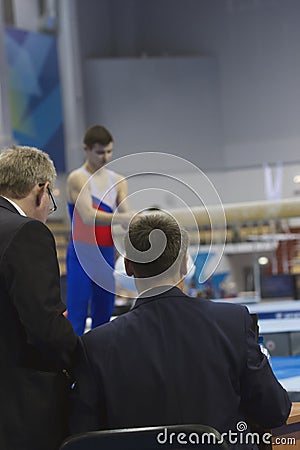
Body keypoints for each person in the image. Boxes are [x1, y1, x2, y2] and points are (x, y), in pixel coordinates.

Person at [69, 212, 291, 444]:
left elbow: (84, 437)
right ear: (185, 263)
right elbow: (275, 411)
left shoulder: (95, 346)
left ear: (128, 266)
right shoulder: (233, 323)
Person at [0, 146, 78, 450]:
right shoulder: (26, 232)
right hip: (20, 407)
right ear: (41, 190)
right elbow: (45, 329)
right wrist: (82, 361)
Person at [66, 125, 130, 335]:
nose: (106, 157)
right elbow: (87, 216)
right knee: (77, 315)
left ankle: (100, 362)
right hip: (81, 253)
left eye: (109, 151)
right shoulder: (78, 178)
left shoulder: (119, 181)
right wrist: (124, 218)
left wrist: (135, 220)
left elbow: (126, 218)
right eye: (100, 152)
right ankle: (72, 366)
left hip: (105, 253)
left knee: (104, 316)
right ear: (86, 149)